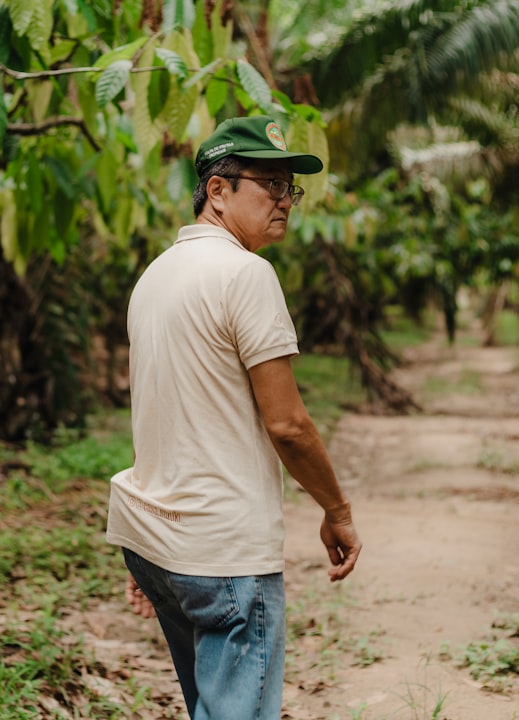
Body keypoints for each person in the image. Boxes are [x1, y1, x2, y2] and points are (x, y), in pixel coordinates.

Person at [106, 115, 362, 719]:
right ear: (217, 190)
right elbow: (289, 425)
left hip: (156, 542)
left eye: (288, 188)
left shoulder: (154, 277)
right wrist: (338, 511)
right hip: (223, 553)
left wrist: (152, 556)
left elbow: (161, 416)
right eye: (269, 184)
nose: (284, 201)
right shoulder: (246, 275)